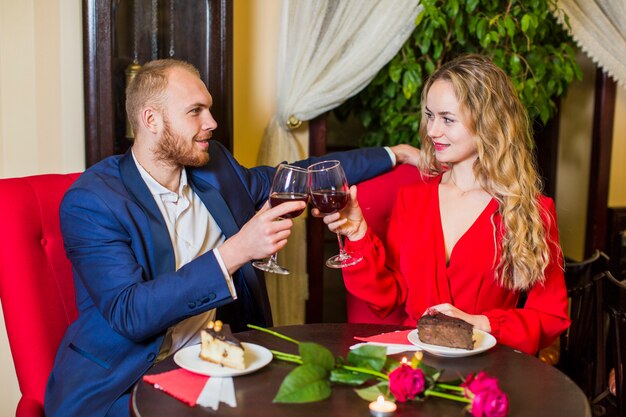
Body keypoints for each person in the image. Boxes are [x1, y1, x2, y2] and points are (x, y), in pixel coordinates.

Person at [43, 59, 420, 417]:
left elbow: (294, 177)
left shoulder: (214, 168)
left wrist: (394, 154)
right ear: (151, 119)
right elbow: (130, 313)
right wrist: (236, 251)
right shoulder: (93, 201)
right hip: (121, 385)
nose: (212, 122)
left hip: (214, 366)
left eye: (208, 109)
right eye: (195, 111)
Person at [319, 54, 570, 355]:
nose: (432, 131)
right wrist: (358, 234)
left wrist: (479, 323)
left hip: (491, 367)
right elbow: (387, 297)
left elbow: (550, 317)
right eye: (430, 116)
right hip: (413, 365)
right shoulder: (411, 198)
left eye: (448, 119)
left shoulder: (531, 210)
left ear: (488, 123)